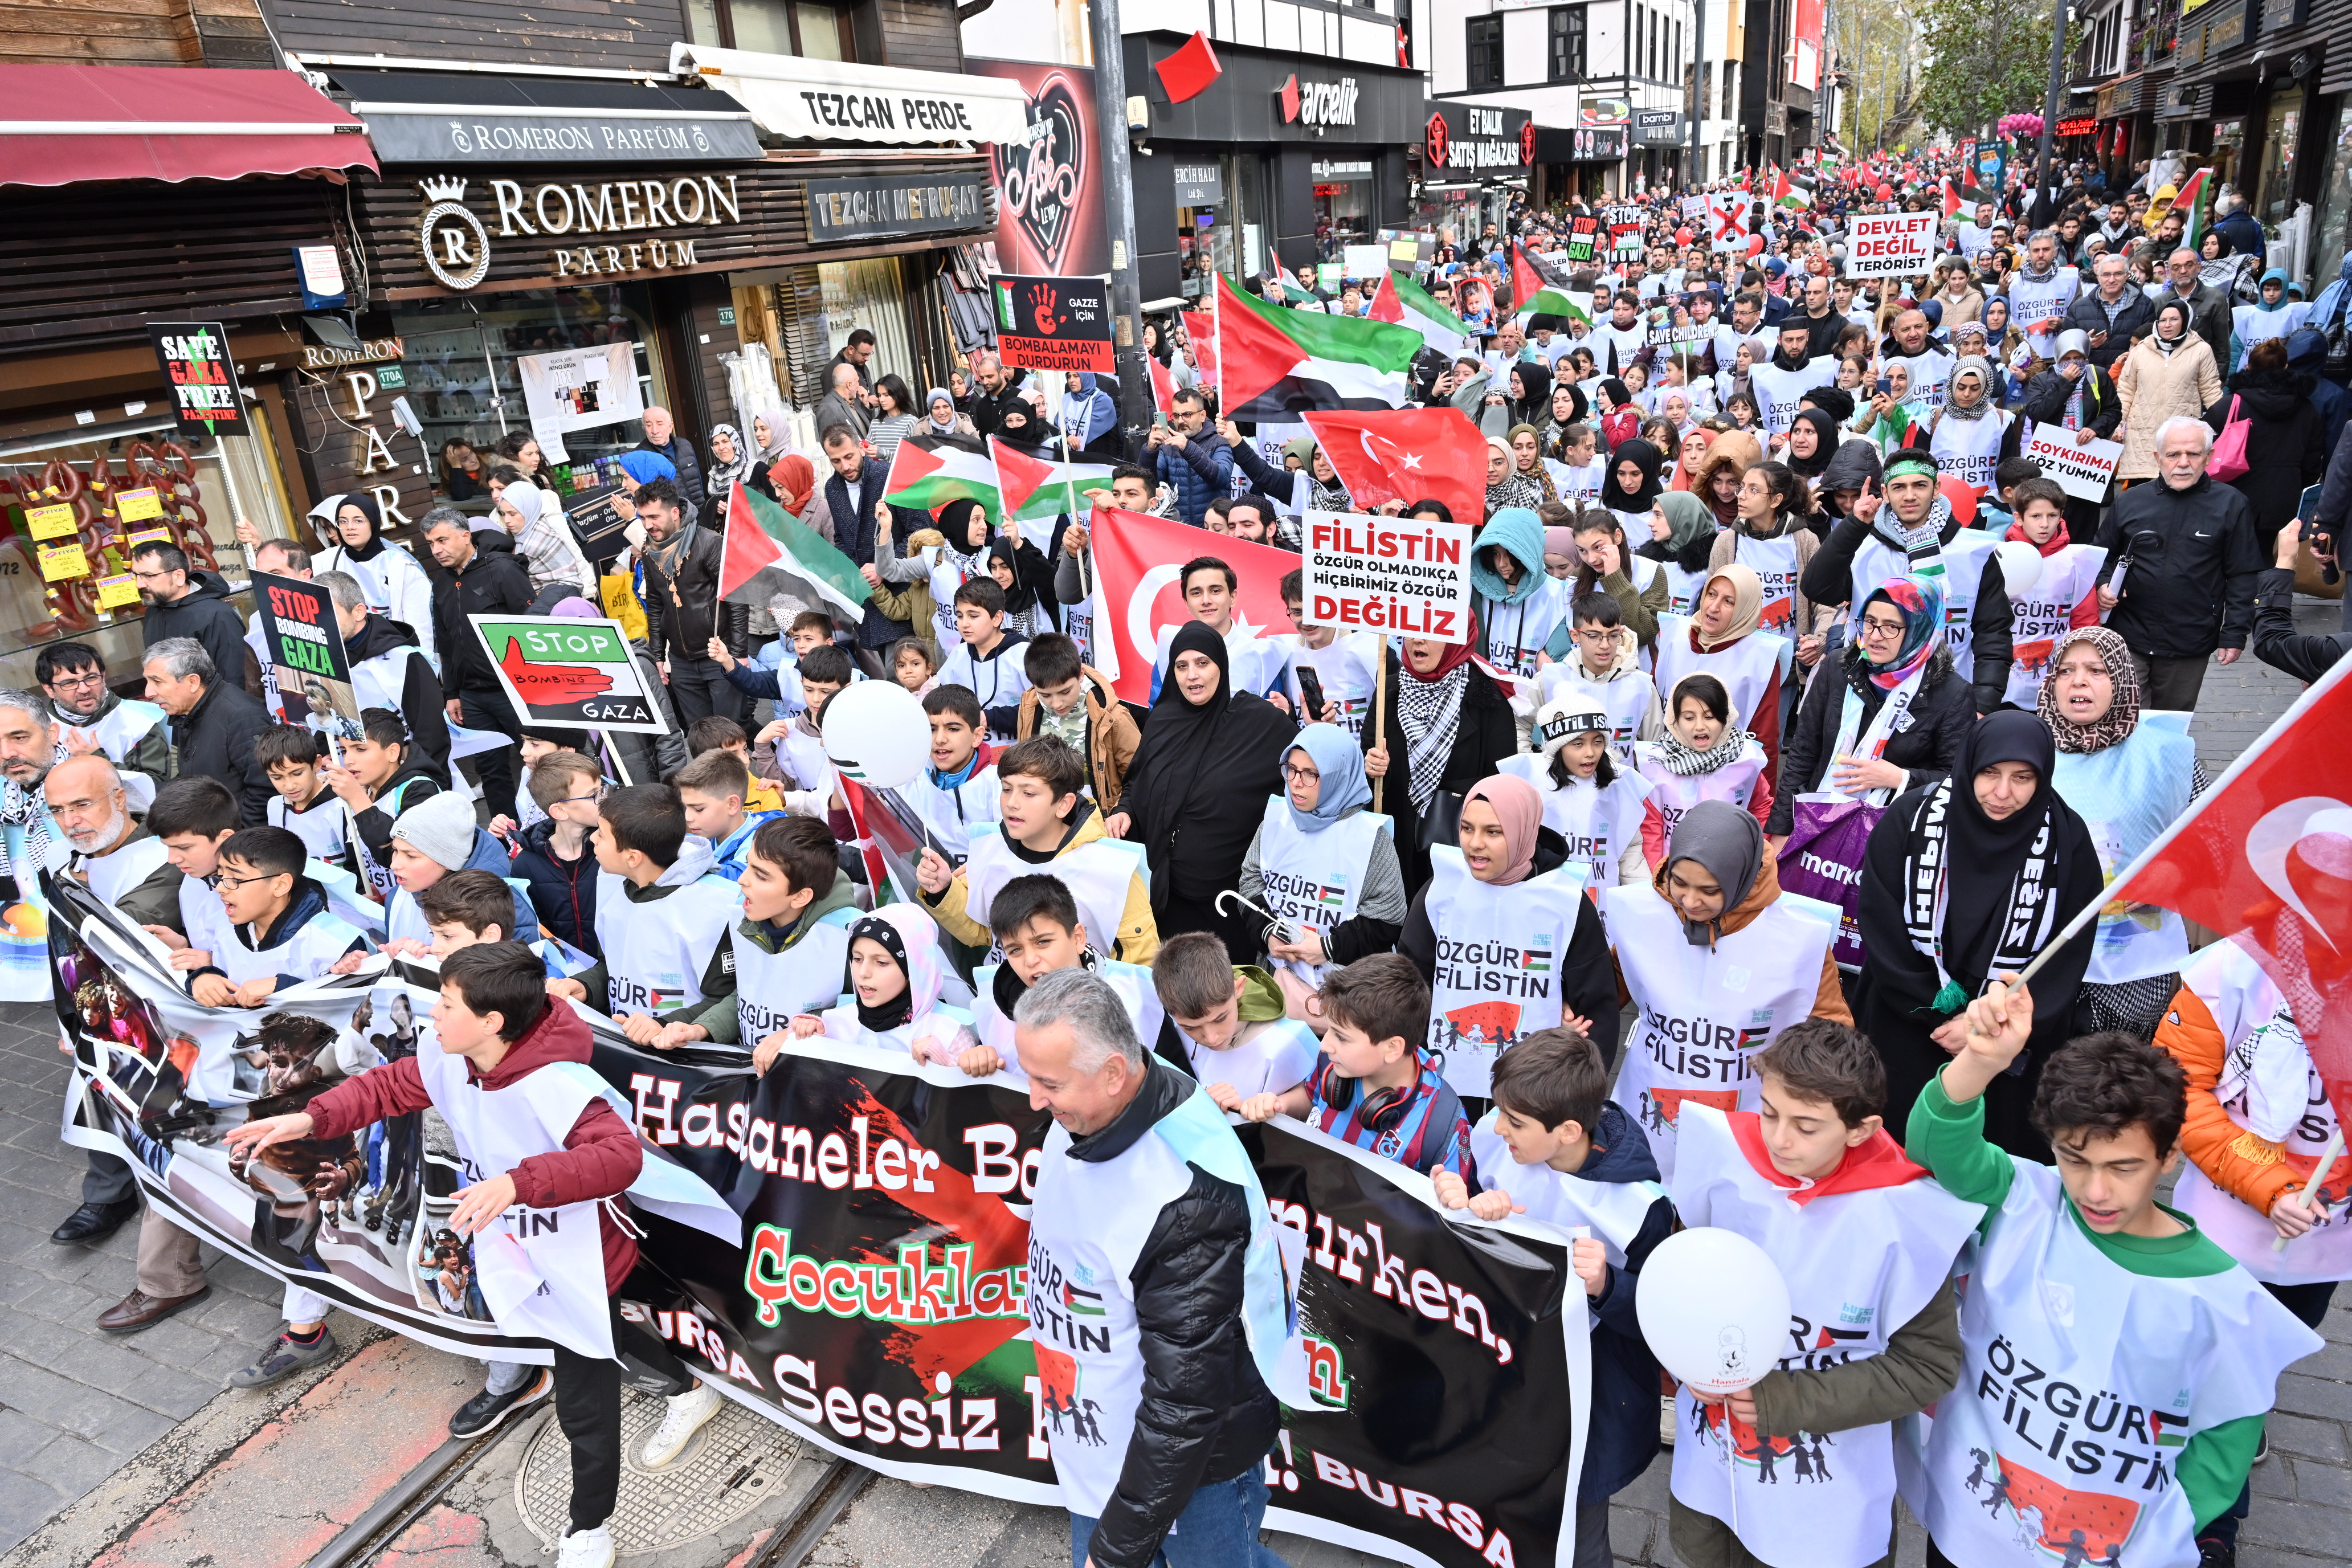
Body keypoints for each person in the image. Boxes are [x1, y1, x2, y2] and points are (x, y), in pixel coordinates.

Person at [231, 942, 730, 1568]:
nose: (432, 1014)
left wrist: (518, 1183)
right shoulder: (451, 1054)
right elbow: (391, 1086)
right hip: (511, 1239)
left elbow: (619, 1156)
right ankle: (688, 1388)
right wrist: (308, 1120)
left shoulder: (559, 1081)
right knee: (604, 1338)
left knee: (584, 1398)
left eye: (446, 1003)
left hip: (577, 1257)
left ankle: (588, 1528)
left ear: (492, 1021)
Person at [1910, 985, 2323, 1568]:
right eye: (2074, 1159)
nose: (2096, 1191)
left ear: (2169, 1157)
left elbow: (2223, 1445)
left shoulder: (2226, 1298)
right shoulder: (2023, 1198)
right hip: (1969, 1528)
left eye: (2123, 1167)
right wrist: (1980, 1061)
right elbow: (1937, 1145)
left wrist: (2165, 1535)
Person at [1665, 1020, 1977, 1568]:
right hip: (1714, 1468)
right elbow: (1682, 1277)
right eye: (1769, 1113)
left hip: (1828, 1497)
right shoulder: (1726, 1156)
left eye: (1806, 1127)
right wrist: (1685, 1355)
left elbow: (1926, 1367)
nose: (1778, 1140)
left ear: (1861, 1129)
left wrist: (1787, 1400)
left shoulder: (1907, 1215)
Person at [1013, 967, 1295, 1568]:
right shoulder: (1090, 1109)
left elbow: (1185, 1401)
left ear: (1114, 1073)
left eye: (1049, 1083)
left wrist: (1115, 1552)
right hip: (1106, 1455)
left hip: (1194, 1478)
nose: (1033, 1099)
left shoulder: (1183, 1200)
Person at [96, 825, 369, 1365]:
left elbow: (362, 1020)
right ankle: (170, 1278)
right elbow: (219, 979)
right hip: (235, 1085)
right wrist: (203, 972)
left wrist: (285, 988)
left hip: (312, 1102)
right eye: (220, 878)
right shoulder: (232, 922)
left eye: (234, 880)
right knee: (160, 1134)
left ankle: (306, 1329)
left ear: (281, 884)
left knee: (294, 1188)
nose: (220, 890)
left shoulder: (336, 943)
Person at [1431, 1027, 1671, 1568]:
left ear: (1567, 1131)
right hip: (1499, 1372)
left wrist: (1608, 1285)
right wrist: (1460, 1200)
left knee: (1576, 1535)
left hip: (1586, 1399)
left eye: (1515, 1122)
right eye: (1500, 1112)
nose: (1498, 1127)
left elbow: (1662, 1318)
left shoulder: (1638, 1206)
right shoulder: (1493, 1139)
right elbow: (1464, 1222)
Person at [1852, 712, 2104, 1154]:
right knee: (1892, 1151)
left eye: (2022, 778)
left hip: (2008, 1040)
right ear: (1969, 765)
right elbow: (1882, 923)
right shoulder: (1911, 820)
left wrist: (1987, 1024)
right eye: (1990, 773)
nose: (2002, 793)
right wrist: (1937, 1014)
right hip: (1907, 1019)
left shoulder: (2067, 842)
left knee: (1984, 1161)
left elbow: (2065, 955)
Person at [1607, 798, 1851, 1179]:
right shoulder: (1646, 913)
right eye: (1679, 883)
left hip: (1748, 1120)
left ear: (1740, 877)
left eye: (1709, 890)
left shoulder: (1797, 939)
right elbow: (1612, 986)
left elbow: (1832, 1032)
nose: (1690, 901)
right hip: (1649, 1108)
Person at [1395, 773, 1618, 1097]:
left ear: (1522, 831)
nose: (1475, 843)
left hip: (1536, 1096)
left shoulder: (1566, 901)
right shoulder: (1440, 890)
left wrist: (1572, 1083)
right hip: (1442, 1085)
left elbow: (1597, 1013)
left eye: (1493, 832)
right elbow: (1408, 984)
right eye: (1467, 828)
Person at [2038, 627, 2203, 1039]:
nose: (2079, 681)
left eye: (2096, 670)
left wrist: (2174, 876)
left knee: (2123, 1069)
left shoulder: (2166, 753)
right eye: (2066, 670)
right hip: (2041, 959)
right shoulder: (2025, 751)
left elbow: (2210, 841)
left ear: (2123, 680)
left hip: (2133, 966)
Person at [1110, 622, 1294, 957]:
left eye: (1202, 663)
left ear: (1221, 666)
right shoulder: (1162, 721)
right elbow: (1138, 779)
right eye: (1182, 666)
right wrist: (1124, 810)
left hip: (1224, 903)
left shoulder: (1258, 722)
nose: (1192, 675)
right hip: (1163, 894)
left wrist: (1317, 728)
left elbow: (1310, 765)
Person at [1799, 447, 2013, 714]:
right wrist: (1854, 524)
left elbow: (1993, 632)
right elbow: (1817, 589)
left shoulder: (1973, 552)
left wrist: (1983, 703)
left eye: (1920, 485)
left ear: (1936, 490)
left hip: (1948, 700)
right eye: (1899, 487)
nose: (1909, 496)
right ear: (1886, 493)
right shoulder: (1862, 546)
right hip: (1867, 697)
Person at [1770, 575, 1973, 848]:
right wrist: (1782, 830)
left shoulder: (1951, 693)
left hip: (1893, 838)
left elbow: (1958, 780)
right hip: (1816, 820)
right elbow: (1803, 753)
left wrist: (1899, 778)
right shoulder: (1837, 667)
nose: (1875, 636)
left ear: (1920, 629)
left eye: (1891, 627)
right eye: (1870, 622)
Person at [1237, 952, 1475, 1183]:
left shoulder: (1444, 1127)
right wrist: (1280, 1105)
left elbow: (1455, 1204)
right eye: (1329, 1030)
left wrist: (1449, 1194)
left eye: (1341, 1037)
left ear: (1392, 1049)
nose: (1325, 1045)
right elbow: (1312, 1096)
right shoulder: (1333, 1064)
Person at [921, 736, 1159, 965]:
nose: (1012, 803)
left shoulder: (1111, 869)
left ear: (1064, 804)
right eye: (1006, 789)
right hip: (1005, 991)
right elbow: (984, 931)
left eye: (1029, 793)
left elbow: (1138, 961)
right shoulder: (989, 848)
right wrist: (944, 890)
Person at [2092, 416, 2264, 711]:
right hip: (2127, 636)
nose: (2183, 463)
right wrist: (2103, 584)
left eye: (2193, 454)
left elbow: (2242, 575)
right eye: (2173, 454)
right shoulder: (2131, 501)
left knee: (2170, 724)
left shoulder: (2231, 504)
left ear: (2208, 457)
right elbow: (2101, 555)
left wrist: (2234, 633)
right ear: (2158, 457)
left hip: (2190, 640)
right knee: (2121, 719)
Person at [1234, 723, 1406, 1009]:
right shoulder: (1277, 822)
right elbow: (1251, 882)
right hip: (1276, 985)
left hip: (1347, 997)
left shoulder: (1369, 838)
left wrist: (1329, 947)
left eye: (1311, 774)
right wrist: (1267, 933)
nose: (1296, 782)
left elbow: (1388, 918)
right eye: (1291, 769)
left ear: (1338, 777)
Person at [548, 785, 744, 1033]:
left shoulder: (717, 906)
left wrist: (664, 1026)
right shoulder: (612, 883)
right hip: (625, 1042)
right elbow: (614, 967)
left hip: (683, 1050)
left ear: (633, 857)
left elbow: (729, 1000)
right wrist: (586, 986)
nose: (592, 839)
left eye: (602, 835)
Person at [1358, 624, 1519, 891]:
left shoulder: (1486, 697)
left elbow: (1500, 783)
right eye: (1410, 631)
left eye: (1432, 634)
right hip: (1399, 848)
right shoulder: (1389, 688)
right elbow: (1369, 753)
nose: (1417, 641)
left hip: (1459, 851)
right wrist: (1374, 766)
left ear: (1456, 639)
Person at [422, 507, 533, 822]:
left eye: (442, 540)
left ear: (466, 536)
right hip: (471, 696)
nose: (437, 550)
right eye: (431, 544)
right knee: (490, 769)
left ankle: (550, 832)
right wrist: (451, 693)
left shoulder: (502, 569)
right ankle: (508, 836)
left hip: (514, 688)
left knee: (539, 761)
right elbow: (445, 642)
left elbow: (532, 626)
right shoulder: (441, 583)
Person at [765, 904, 978, 1067]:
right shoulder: (834, 1023)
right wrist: (802, 1035)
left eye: (881, 962)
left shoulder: (950, 1033)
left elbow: (965, 1103)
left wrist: (944, 1063)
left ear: (913, 970)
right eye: (857, 959)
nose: (863, 973)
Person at [1496, 690, 1652, 888]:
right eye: (1578, 744)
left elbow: (1630, 851)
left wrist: (1642, 896)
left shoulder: (1620, 783)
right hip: (1542, 894)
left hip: (1600, 896)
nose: (1590, 753)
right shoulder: (1528, 781)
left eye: (1598, 742)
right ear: (1558, 747)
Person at [1149, 930, 1319, 1105]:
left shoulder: (1288, 1039)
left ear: (1238, 988)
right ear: (1164, 1004)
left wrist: (1277, 1105)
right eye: (1191, 1028)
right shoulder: (1164, 1020)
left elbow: (1317, 1098)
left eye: (1220, 1019)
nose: (1211, 1038)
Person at [1652, 564, 1790, 777]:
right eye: (1712, 594)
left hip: (1726, 777)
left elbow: (1765, 740)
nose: (1714, 607)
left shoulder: (1762, 658)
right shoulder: (1673, 635)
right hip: (1667, 769)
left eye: (1728, 601)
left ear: (1745, 609)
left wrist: (1764, 795)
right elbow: (1651, 708)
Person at [635, 477, 749, 727]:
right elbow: (655, 605)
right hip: (680, 661)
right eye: (642, 518)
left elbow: (736, 599)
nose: (647, 525)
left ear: (675, 513)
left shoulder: (709, 542)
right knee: (701, 736)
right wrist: (657, 656)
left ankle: (764, 748)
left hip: (718, 653)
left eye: (654, 517)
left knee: (730, 731)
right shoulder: (649, 550)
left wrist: (739, 654)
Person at [322, 571, 452, 786]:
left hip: (408, 781)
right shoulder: (320, 659)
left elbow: (431, 735)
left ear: (359, 612)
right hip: (351, 783)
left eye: (330, 614)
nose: (322, 624)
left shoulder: (403, 658)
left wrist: (422, 787)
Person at [2204, 336, 2326, 550]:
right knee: (2266, 556)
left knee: (2227, 555)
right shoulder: (2308, 409)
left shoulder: (2229, 405)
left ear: (2249, 367)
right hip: (2283, 498)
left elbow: (2200, 448)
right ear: (2286, 367)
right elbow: (2312, 463)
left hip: (2231, 496)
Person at [1636, 672, 1771, 864]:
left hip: (1730, 867)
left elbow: (1761, 808)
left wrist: (1757, 856)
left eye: (1709, 716)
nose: (1700, 726)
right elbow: (1652, 825)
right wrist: (1657, 873)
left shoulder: (1746, 759)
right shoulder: (1656, 763)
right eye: (1689, 718)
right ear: (1675, 720)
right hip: (1673, 870)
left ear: (1726, 718)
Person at [142, 638, 270, 825]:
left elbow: (265, 790)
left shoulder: (242, 716)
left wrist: (236, 840)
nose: (148, 693)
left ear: (193, 682)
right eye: (148, 681)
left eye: (157, 682)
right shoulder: (189, 712)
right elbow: (192, 779)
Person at [304, 493, 440, 668]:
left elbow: (421, 632)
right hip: (346, 661)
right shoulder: (324, 562)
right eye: (343, 521)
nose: (350, 527)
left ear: (374, 522)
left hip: (394, 660)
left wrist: (421, 670)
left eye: (358, 520)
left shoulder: (401, 566)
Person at [38, 642, 169, 811]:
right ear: (49, 689)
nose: (84, 689)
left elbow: (156, 788)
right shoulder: (37, 729)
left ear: (104, 676)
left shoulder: (140, 720)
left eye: (91, 678)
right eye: (69, 683)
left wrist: (97, 761)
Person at [1014, 633, 1139, 810]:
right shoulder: (1029, 710)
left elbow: (1139, 775)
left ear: (1081, 674)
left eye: (1065, 692)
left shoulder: (1113, 717)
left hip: (1100, 819)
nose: (1057, 703)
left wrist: (1121, 811)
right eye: (1045, 695)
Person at [1540, 591, 1663, 765]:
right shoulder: (1550, 677)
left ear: (1621, 633)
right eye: (1594, 636)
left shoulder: (1643, 687)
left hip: (1621, 781)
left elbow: (1653, 751)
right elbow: (1519, 724)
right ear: (1575, 636)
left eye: (1613, 636)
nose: (1605, 645)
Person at [509, 752, 607, 959]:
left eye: (602, 789)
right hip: (563, 969)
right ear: (560, 811)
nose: (604, 799)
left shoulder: (610, 850)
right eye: (594, 795)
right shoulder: (525, 865)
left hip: (614, 965)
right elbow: (534, 929)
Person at [2118, 300, 2225, 488]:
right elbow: (2125, 392)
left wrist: (2225, 428)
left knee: (2179, 492)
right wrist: (2117, 425)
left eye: (2174, 319)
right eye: (2162, 320)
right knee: (2142, 495)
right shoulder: (2141, 350)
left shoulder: (2201, 350)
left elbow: (2211, 391)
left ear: (2185, 321)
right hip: (2141, 437)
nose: (2167, 325)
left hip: (2182, 438)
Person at [1472, 507, 1575, 677]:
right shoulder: (1475, 590)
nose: (1502, 563)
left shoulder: (1558, 594)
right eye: (1496, 554)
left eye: (1510, 554)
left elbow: (1562, 662)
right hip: (1482, 690)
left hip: (1534, 691)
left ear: (1529, 551)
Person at [130, 539, 248, 687]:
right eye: (135, 575)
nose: (139, 584)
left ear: (179, 576)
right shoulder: (154, 611)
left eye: (149, 576)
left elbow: (234, 680)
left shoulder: (216, 615)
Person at [937, 578, 1031, 739]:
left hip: (1017, 748)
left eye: (973, 616)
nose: (964, 624)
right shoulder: (958, 654)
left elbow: (1042, 708)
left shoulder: (1024, 654)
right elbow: (943, 704)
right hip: (970, 748)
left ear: (997, 618)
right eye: (960, 616)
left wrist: (991, 717)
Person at [1148, 387, 1232, 526]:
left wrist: (1188, 448)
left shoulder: (1219, 442)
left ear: (1203, 416)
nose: (1181, 421)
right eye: (1176, 416)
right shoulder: (1167, 446)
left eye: (1187, 415)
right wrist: (1150, 451)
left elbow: (1221, 477)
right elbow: (1150, 484)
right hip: (1179, 527)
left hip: (1213, 528)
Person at [2061, 251, 2155, 372]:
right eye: (2106, 275)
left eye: (2118, 274)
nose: (2112, 280)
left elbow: (2150, 346)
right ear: (2098, 277)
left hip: (2128, 375)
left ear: (2127, 276)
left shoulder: (2144, 305)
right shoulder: (2078, 308)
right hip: (2090, 376)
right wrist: (2085, 345)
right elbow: (2064, 347)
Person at [637, 406, 706, 512]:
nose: (654, 431)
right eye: (649, 425)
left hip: (700, 512)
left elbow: (698, 482)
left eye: (660, 424)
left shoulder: (685, 445)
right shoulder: (641, 456)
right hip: (674, 518)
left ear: (671, 426)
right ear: (644, 428)